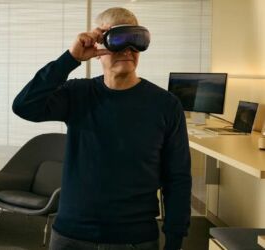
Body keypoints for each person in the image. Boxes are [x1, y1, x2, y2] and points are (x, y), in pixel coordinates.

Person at [12, 7, 191, 250]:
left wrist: (174, 240)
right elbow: (25, 106)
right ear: (97, 47)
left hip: (134, 238)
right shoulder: (77, 94)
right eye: (117, 40)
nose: (128, 49)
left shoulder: (166, 105)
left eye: (136, 40)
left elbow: (177, 178)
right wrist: (70, 58)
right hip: (71, 235)